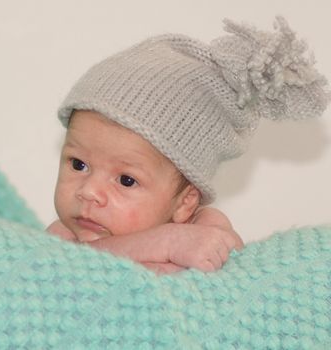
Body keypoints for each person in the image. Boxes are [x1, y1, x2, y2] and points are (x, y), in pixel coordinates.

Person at [47, 17, 329, 274]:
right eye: (78, 164)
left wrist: (175, 243)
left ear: (185, 203)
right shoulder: (62, 235)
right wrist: (160, 244)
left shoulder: (203, 227)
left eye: (126, 180)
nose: (89, 192)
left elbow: (220, 277)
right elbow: (74, 267)